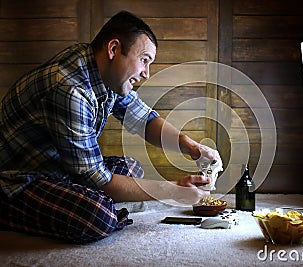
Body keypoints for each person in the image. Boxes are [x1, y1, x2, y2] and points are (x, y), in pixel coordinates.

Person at [0, 10, 220, 244]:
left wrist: (193, 147)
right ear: (114, 49)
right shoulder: (70, 88)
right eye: (144, 59)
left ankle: (81, 202)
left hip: (60, 168)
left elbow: (144, 119)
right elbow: (97, 178)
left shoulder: (102, 71)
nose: (146, 73)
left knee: (131, 168)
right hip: (20, 179)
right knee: (98, 216)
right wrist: (172, 191)